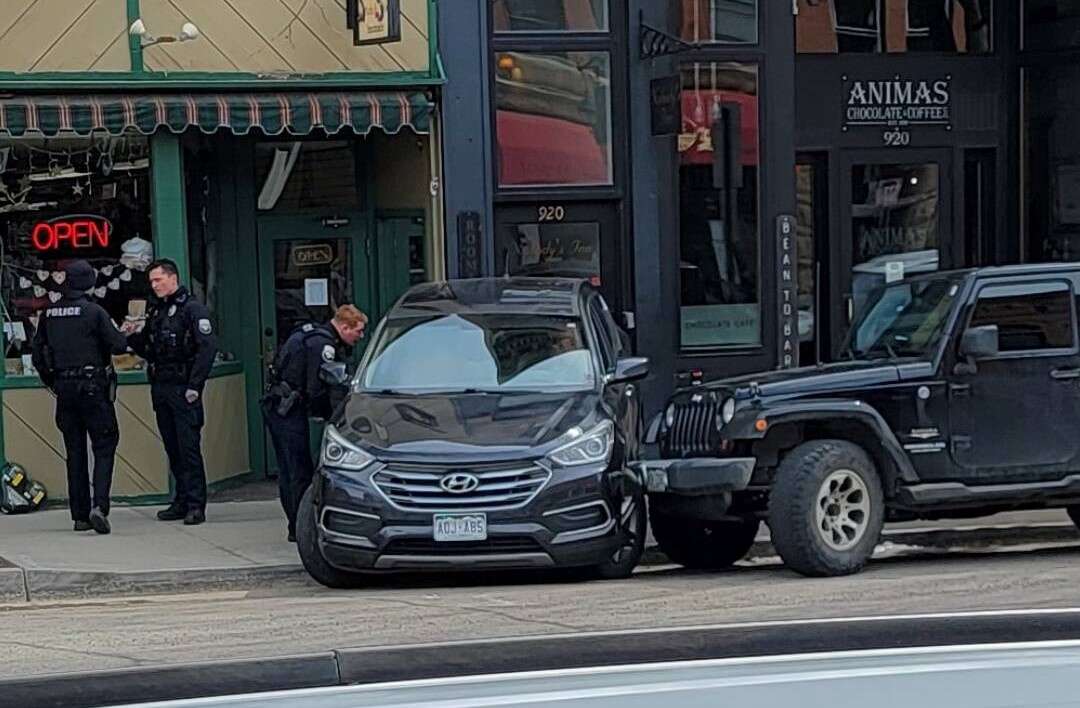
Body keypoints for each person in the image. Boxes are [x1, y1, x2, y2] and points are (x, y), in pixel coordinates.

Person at [31, 260, 129, 534]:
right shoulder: (94, 312)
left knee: (74, 451)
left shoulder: (50, 313)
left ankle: (80, 516)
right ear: (89, 282)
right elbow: (119, 345)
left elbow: (38, 354)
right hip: (93, 387)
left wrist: (53, 381)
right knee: (104, 444)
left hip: (64, 388)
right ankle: (99, 506)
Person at [262, 305, 367, 542]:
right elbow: (317, 388)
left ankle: (294, 524)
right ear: (343, 326)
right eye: (357, 331)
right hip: (288, 409)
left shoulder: (311, 334)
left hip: (279, 406)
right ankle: (301, 527)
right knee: (298, 471)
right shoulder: (323, 345)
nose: (360, 337)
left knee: (288, 470)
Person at [125, 259, 218, 526]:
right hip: (162, 386)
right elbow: (151, 349)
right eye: (151, 281)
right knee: (173, 447)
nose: (154, 285)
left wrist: (194, 386)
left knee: (188, 448)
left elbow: (207, 349)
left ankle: (195, 504)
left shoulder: (192, 309)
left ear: (173, 278)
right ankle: (180, 499)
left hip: (183, 387)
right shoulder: (157, 312)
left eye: (158, 280)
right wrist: (131, 337)